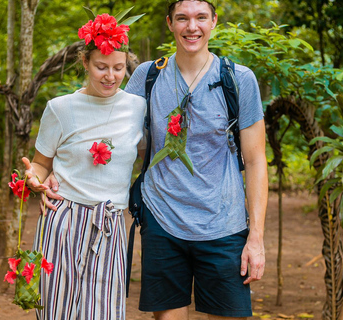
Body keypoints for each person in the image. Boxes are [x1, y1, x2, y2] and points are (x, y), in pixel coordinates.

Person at [43, 0, 268, 319]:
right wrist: (55, 171)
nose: (192, 27)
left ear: (214, 21)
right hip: (162, 223)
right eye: (183, 18)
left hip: (223, 225)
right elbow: (105, 125)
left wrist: (256, 237)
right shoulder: (148, 76)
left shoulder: (238, 80)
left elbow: (257, 161)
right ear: (170, 23)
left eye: (201, 17)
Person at [22, 13, 146, 320]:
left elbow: (146, 155)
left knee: (103, 313)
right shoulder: (61, 108)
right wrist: (34, 179)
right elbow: (40, 164)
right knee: (55, 310)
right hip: (63, 218)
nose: (110, 76)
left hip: (111, 221)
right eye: (101, 67)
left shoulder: (137, 107)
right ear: (85, 63)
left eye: (118, 68)